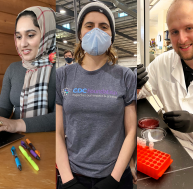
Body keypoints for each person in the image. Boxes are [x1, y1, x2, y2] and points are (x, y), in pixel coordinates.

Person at [135, 0, 193, 187]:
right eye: (174, 32)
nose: (181, 39)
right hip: (176, 147)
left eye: (189, 28)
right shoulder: (162, 63)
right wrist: (133, 85)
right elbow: (140, 95)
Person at [55, 2, 136, 189]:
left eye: (104, 26)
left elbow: (131, 132)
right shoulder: (63, 76)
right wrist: (68, 180)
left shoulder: (125, 76)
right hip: (73, 175)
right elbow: (58, 132)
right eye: (89, 26)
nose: (96, 31)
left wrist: (114, 179)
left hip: (114, 176)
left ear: (111, 35)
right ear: (80, 34)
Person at [0, 7, 56, 133]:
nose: (22, 44)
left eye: (30, 35)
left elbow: (62, 117)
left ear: (48, 34)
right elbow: (4, 108)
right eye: (18, 36)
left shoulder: (62, 69)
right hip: (17, 139)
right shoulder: (13, 69)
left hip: (49, 143)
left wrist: (16, 124)